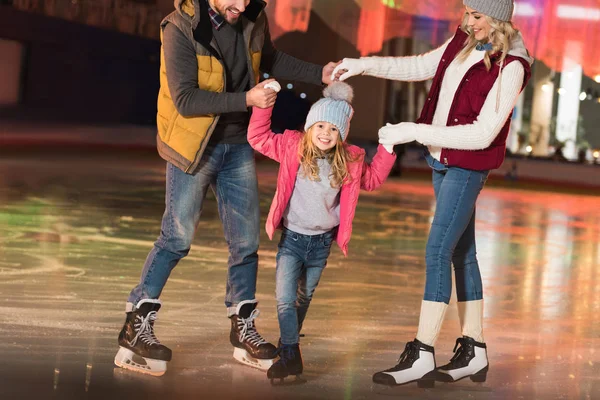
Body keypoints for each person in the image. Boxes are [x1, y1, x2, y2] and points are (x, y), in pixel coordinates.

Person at [114, 0, 339, 376]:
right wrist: (247, 100)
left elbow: (272, 58)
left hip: (236, 145)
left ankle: (243, 327)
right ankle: (136, 325)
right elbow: (186, 100)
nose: (241, 4)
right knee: (176, 237)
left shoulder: (251, 18)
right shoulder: (180, 28)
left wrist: (323, 74)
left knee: (246, 242)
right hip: (192, 148)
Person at [332, 0, 532, 387]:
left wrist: (414, 131)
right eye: (466, 13)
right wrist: (363, 64)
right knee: (462, 251)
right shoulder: (465, 40)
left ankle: (422, 352)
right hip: (441, 162)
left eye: (477, 16)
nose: (468, 22)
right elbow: (421, 65)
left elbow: (482, 133)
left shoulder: (512, 66)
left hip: (466, 166)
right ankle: (474, 350)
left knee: (438, 250)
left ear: (499, 19)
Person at [247, 81, 396, 382]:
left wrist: (388, 147)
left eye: (333, 129)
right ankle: (290, 352)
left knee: (302, 299)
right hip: (292, 239)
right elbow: (258, 138)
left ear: (342, 134)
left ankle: (288, 352)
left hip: (321, 244)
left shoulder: (350, 161)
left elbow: (374, 179)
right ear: (310, 126)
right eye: (320, 125)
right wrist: (264, 105)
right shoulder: (292, 147)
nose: (326, 133)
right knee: (285, 299)